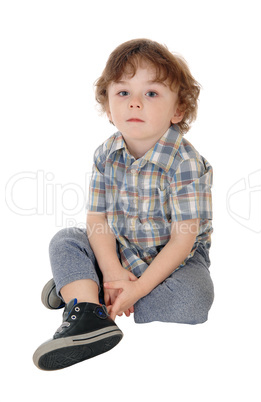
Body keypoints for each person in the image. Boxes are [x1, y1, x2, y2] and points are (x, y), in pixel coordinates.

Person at [33, 38, 214, 371]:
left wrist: (136, 289)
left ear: (178, 110)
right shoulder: (106, 154)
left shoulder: (185, 163)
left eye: (151, 93)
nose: (134, 104)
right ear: (108, 108)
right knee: (65, 240)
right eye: (123, 93)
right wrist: (114, 270)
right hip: (119, 249)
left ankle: (87, 292)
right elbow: (97, 219)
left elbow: (182, 240)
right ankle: (90, 311)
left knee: (195, 300)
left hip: (177, 260)